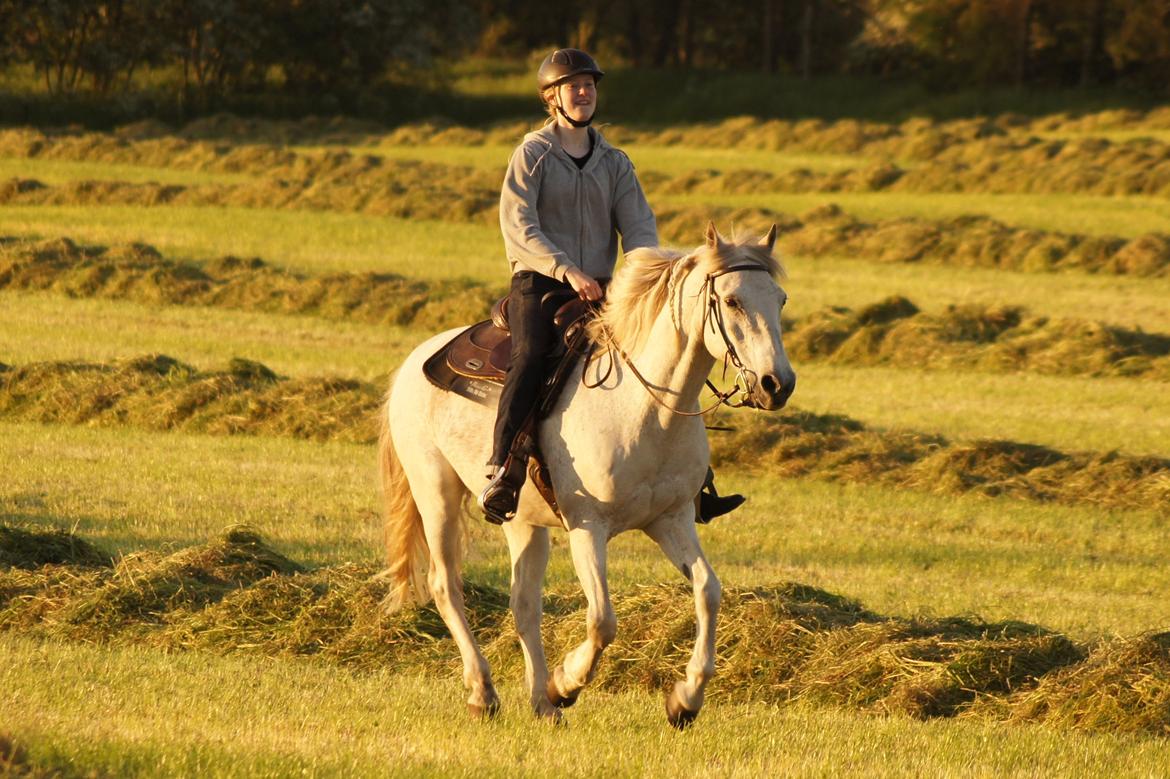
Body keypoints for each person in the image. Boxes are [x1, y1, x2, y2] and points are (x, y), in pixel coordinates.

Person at [478, 48, 745, 525]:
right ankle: (503, 468)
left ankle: (692, 480)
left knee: (669, 355)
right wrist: (566, 270)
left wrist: (648, 276)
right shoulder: (533, 155)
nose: (584, 93)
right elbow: (520, 226)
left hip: (604, 290)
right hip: (540, 284)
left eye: (590, 85)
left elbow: (640, 230)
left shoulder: (615, 163)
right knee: (532, 354)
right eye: (574, 86)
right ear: (551, 97)